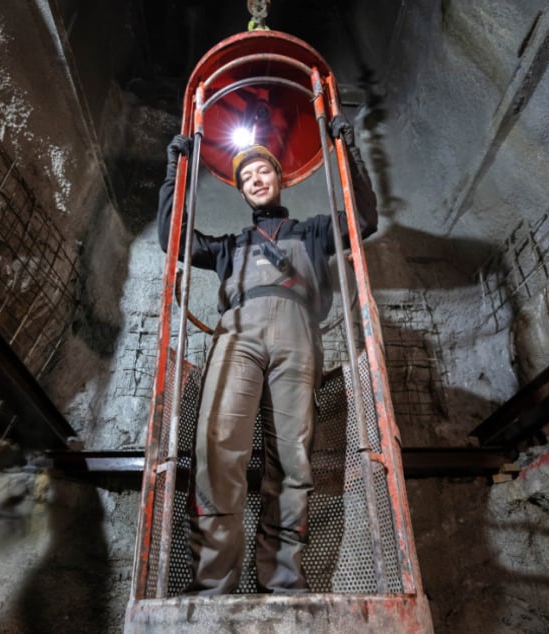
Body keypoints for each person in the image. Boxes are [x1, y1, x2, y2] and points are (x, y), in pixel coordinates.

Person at [157, 114, 378, 595]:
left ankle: (281, 581)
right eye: (246, 178)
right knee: (217, 446)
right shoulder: (231, 245)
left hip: (299, 336)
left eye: (263, 172)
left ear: (280, 179)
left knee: (293, 459)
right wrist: (177, 170)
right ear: (242, 192)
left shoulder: (313, 232)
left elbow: (363, 221)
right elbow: (174, 239)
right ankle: (213, 584)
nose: (256, 180)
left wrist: (349, 152)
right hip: (238, 333)